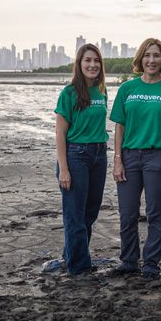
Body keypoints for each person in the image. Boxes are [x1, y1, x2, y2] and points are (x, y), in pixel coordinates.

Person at [110, 38, 161, 280]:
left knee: (155, 213)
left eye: (156, 56)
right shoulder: (127, 89)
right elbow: (119, 127)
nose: (152, 60)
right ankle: (129, 261)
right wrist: (117, 159)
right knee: (128, 213)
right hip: (130, 157)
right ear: (140, 59)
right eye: (147, 55)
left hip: (158, 157)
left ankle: (151, 264)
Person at [54, 43, 108, 276]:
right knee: (75, 214)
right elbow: (60, 134)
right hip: (75, 156)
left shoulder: (102, 91)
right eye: (87, 60)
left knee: (90, 212)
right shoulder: (69, 93)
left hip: (99, 154)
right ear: (79, 64)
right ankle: (79, 267)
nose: (92, 65)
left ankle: (71, 257)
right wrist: (64, 169)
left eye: (96, 61)